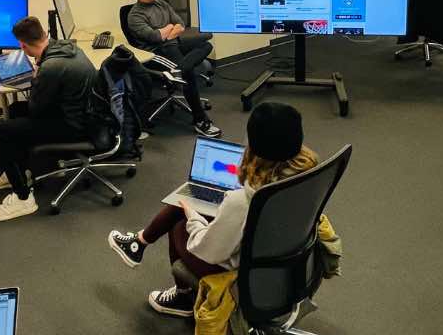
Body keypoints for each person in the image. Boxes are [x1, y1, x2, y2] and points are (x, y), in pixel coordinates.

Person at [106, 102, 313, 317]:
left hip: (246, 279)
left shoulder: (242, 202)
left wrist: (194, 220)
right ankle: (139, 242)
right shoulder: (307, 177)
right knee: (189, 205)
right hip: (286, 266)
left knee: (179, 225)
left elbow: (209, 252)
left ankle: (183, 297)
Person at [0, 15, 96, 221]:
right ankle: (20, 172)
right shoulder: (68, 48)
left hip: (73, 127)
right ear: (43, 34)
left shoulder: (50, 67)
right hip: (86, 115)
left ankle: (23, 198)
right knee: (15, 109)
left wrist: (36, 78)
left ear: (22, 45)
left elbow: (36, 109)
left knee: (0, 131)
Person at [125, 0, 221, 138]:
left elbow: (181, 24)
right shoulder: (135, 16)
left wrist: (166, 32)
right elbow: (155, 37)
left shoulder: (162, 3)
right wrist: (170, 28)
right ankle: (200, 121)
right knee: (188, 74)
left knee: (206, 45)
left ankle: (179, 69)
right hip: (156, 52)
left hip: (173, 44)